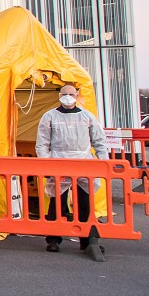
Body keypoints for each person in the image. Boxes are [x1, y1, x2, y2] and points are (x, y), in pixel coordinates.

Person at [36, 83, 108, 257]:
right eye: (65, 93)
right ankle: (53, 239)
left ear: (77, 95)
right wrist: (45, 164)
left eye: (71, 93)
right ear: (59, 95)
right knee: (57, 203)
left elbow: (99, 140)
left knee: (84, 203)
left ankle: (86, 240)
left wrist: (104, 162)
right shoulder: (49, 117)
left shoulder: (86, 117)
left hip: (84, 164)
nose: (68, 96)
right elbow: (42, 142)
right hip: (58, 163)